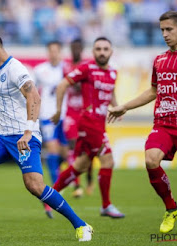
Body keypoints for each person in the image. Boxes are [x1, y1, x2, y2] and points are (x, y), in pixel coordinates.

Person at [0, 31, 93, 242]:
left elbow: (34, 96)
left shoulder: (15, 68)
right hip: (4, 137)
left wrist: (28, 130)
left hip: (26, 137)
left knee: (34, 186)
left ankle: (81, 225)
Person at [108, 10, 177, 233]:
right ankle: (171, 208)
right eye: (162, 30)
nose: (165, 34)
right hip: (164, 124)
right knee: (151, 160)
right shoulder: (159, 60)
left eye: (169, 29)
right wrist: (124, 106)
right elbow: (153, 91)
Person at [50, 37, 125, 219]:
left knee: (81, 165)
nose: (101, 52)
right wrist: (59, 111)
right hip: (88, 122)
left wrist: (116, 107)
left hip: (100, 124)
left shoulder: (113, 73)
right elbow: (62, 85)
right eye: (98, 48)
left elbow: (110, 93)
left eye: (105, 49)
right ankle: (106, 205)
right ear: (92, 52)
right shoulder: (87, 68)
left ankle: (50, 195)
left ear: (111, 52)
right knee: (107, 160)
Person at [33, 41, 68, 186]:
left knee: (65, 153)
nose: (53, 54)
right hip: (47, 116)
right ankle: (56, 186)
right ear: (48, 53)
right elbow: (31, 92)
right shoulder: (40, 70)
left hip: (65, 115)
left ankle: (59, 175)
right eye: (51, 51)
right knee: (52, 149)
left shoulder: (67, 69)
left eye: (56, 51)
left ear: (60, 52)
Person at [63, 38, 94, 198]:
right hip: (70, 113)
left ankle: (89, 180)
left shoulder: (86, 66)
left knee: (87, 149)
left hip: (84, 112)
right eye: (73, 47)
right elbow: (66, 84)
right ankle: (76, 184)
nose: (75, 50)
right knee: (73, 146)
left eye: (78, 48)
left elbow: (79, 85)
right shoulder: (66, 65)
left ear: (81, 49)